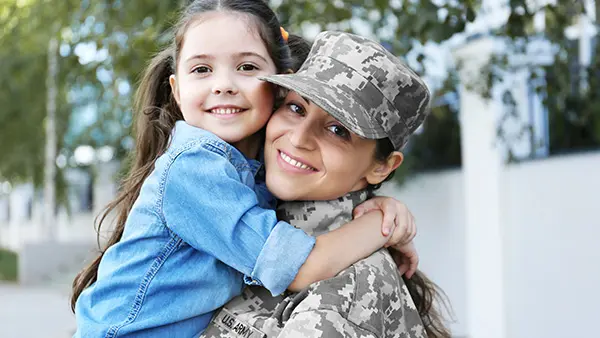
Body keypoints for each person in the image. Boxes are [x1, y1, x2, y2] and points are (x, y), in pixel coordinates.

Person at [70, 1, 419, 337]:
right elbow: (298, 267)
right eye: (202, 69)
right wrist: (381, 228)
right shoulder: (194, 169)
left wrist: (385, 209)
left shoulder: (255, 175)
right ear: (177, 90)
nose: (223, 84)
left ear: (279, 85)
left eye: (247, 67)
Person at [200, 31, 452, 338]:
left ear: (382, 167)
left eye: (337, 130)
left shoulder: (345, 287)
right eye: (296, 108)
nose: (298, 138)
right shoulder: (237, 207)